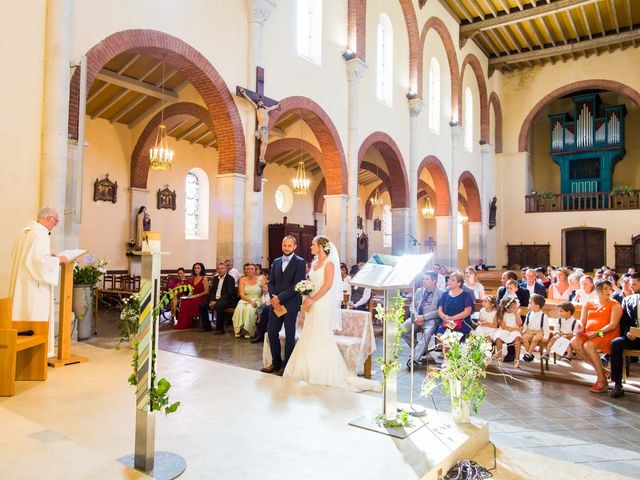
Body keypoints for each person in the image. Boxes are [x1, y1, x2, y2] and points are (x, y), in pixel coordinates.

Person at [283, 236, 380, 392]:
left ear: (321, 246)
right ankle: (305, 370)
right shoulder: (314, 263)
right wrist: (305, 295)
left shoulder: (329, 264)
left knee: (320, 336)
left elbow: (327, 285)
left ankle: (321, 372)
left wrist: (313, 299)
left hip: (322, 304)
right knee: (309, 334)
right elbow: (311, 284)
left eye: (313, 244)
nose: (310, 247)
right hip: (311, 304)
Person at [9, 207, 67, 356]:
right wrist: (57, 259)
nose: (55, 225)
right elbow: (39, 262)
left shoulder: (25, 232)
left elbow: (29, 257)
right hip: (34, 287)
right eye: (56, 221)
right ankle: (34, 357)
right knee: (34, 317)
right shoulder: (41, 235)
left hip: (22, 283)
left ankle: (20, 355)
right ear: (49, 219)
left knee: (21, 316)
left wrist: (49, 255)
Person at [261, 235, 306, 375]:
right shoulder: (276, 261)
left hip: (291, 304)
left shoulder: (300, 262)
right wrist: (273, 298)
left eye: (289, 246)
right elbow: (272, 282)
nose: (286, 248)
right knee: (272, 332)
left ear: (294, 247)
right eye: (284, 245)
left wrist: (279, 298)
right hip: (276, 304)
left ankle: (286, 365)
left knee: (289, 334)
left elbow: (296, 285)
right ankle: (275, 363)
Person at [571, 279, 622, 393]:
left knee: (588, 346)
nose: (609, 291)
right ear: (598, 290)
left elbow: (613, 325)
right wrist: (581, 327)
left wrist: (597, 332)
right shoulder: (589, 303)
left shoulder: (615, 305)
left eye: (610, 289)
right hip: (590, 333)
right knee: (574, 342)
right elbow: (583, 320)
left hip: (606, 334)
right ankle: (602, 370)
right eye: (605, 289)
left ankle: (601, 379)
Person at [400, 271, 443, 367]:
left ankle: (414, 359)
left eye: (427, 279)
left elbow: (438, 311)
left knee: (427, 332)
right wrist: (416, 317)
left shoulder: (440, 293)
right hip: (416, 317)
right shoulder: (419, 290)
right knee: (402, 329)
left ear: (434, 281)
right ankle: (420, 350)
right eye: (423, 279)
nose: (424, 281)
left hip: (430, 319)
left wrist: (423, 317)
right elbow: (412, 306)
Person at [609, 273, 640, 398]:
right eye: (630, 284)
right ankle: (617, 384)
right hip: (633, 336)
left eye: (634, 284)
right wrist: (627, 332)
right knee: (616, 343)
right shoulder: (627, 300)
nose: (631, 287)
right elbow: (624, 322)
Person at [239, 87, 280, 175]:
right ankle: (261, 158)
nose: (261, 103)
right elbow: (250, 100)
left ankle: (262, 158)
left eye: (261, 102)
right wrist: (244, 94)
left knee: (265, 143)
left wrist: (277, 105)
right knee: (264, 142)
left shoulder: (266, 109)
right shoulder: (257, 108)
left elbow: (272, 107)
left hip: (265, 129)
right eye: (260, 102)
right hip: (261, 128)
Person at [435, 271, 475, 344]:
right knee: (440, 336)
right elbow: (439, 309)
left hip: (461, 323)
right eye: (449, 279)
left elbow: (467, 312)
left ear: (459, 283)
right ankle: (446, 353)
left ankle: (450, 354)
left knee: (452, 340)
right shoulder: (445, 294)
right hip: (446, 322)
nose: (449, 281)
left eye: (453, 280)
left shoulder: (466, 295)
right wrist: (444, 317)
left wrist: (451, 318)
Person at [200, 262, 237, 333]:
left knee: (219, 305)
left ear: (226, 269)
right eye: (219, 269)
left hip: (227, 300)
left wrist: (217, 302)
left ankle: (220, 329)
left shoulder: (230, 279)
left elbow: (229, 293)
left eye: (222, 268)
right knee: (202, 306)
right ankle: (207, 326)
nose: (220, 270)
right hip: (215, 299)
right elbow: (212, 291)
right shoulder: (215, 278)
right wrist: (211, 300)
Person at [232, 264, 265, 338]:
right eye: (248, 269)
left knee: (250, 308)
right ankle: (238, 329)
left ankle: (248, 331)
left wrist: (265, 288)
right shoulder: (242, 279)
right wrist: (250, 301)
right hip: (245, 299)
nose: (249, 270)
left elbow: (265, 291)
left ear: (255, 270)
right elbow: (241, 294)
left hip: (257, 300)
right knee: (240, 307)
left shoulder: (260, 279)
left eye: (252, 269)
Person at [175, 263, 209, 330]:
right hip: (194, 296)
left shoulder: (204, 278)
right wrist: (189, 296)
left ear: (201, 269)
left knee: (188, 303)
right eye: (195, 268)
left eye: (198, 268)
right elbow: (192, 290)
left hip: (202, 297)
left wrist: (196, 295)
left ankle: (190, 323)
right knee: (184, 301)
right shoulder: (193, 278)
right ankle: (184, 324)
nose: (196, 269)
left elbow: (206, 292)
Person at [493, 297, 523, 368]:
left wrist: (517, 314)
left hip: (514, 330)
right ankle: (500, 358)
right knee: (498, 338)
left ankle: (517, 359)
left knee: (517, 338)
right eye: (514, 307)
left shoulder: (516, 313)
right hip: (505, 330)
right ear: (507, 308)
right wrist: (516, 329)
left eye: (516, 307)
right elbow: (504, 327)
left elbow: (519, 323)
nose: (516, 309)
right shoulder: (502, 314)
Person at [522, 294, 550, 362]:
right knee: (524, 337)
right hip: (529, 331)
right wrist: (523, 331)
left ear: (537, 306)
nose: (529, 304)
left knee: (535, 338)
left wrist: (546, 337)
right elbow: (526, 324)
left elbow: (546, 327)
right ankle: (529, 354)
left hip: (539, 332)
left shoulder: (543, 315)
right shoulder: (529, 313)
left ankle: (528, 353)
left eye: (531, 303)